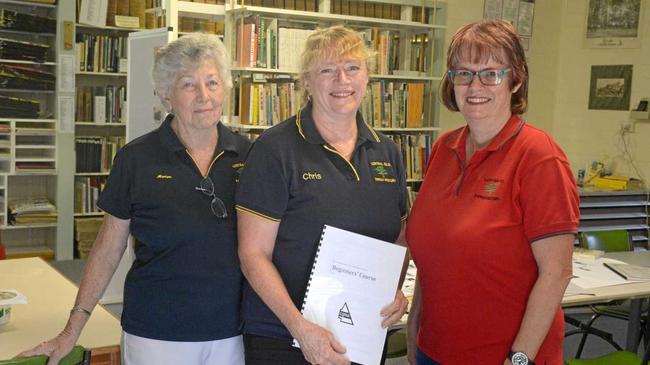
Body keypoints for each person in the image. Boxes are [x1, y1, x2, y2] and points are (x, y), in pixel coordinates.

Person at [18, 33, 250, 365]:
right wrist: (71, 331)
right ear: (166, 95)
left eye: (212, 83)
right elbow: (108, 247)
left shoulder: (250, 156)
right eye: (188, 85)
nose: (204, 96)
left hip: (232, 333)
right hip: (155, 333)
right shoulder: (136, 159)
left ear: (225, 88)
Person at [405, 20, 579, 365]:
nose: (474, 86)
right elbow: (435, 250)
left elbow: (556, 272)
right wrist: (414, 328)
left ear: (515, 80)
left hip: (504, 356)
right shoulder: (443, 148)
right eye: (464, 73)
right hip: (434, 349)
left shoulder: (539, 156)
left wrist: (519, 359)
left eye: (490, 73)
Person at [235, 25, 409, 365]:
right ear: (307, 83)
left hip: (361, 335)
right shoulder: (275, 150)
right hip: (283, 337)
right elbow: (252, 254)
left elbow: (400, 238)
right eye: (327, 70)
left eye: (352, 68)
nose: (342, 80)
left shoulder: (387, 152)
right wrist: (300, 328)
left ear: (367, 77)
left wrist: (393, 289)